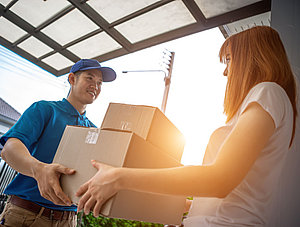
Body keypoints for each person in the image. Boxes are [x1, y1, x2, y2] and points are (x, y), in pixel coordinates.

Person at [75, 26, 298, 226]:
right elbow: (238, 189)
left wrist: (118, 177)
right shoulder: (266, 99)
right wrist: (190, 207)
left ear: (252, 57)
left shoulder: (268, 92)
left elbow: (220, 179)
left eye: (229, 59)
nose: (226, 71)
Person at [0, 59, 116, 227]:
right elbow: (8, 149)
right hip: (26, 215)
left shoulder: (94, 131)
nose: (95, 86)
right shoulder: (45, 110)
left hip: (68, 221)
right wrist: (39, 169)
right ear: (72, 79)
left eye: (99, 83)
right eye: (89, 78)